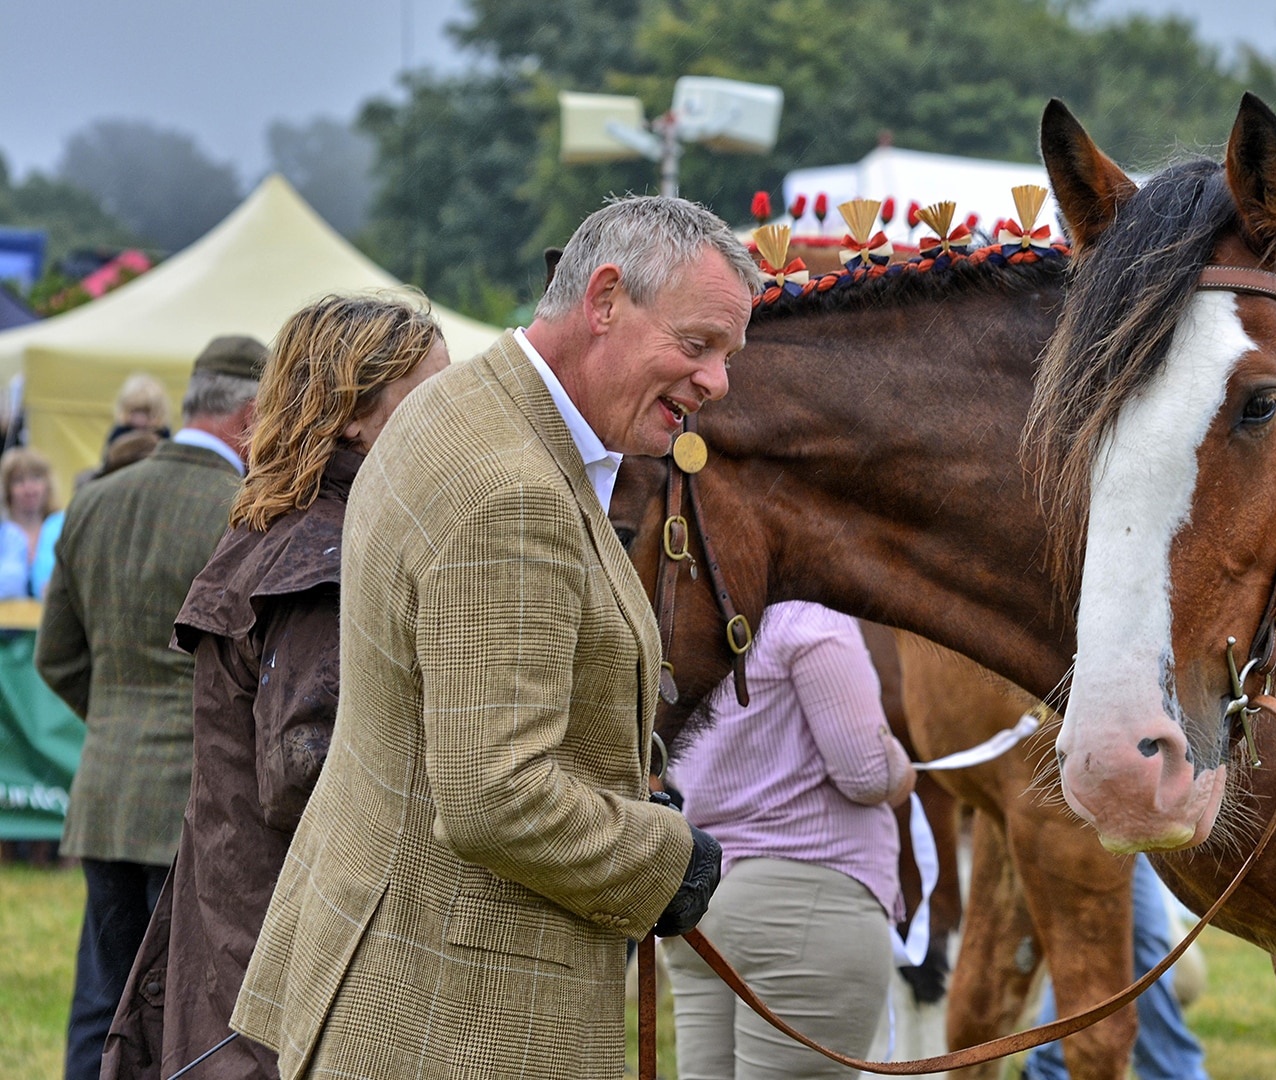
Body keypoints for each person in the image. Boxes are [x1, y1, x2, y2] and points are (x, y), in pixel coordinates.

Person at [233, 196, 756, 1080]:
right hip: (452, 1017)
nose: (717, 382)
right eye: (698, 345)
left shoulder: (459, 405)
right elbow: (497, 796)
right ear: (603, 300)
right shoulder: (510, 489)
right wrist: (664, 859)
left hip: (400, 980)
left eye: (728, 356)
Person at [99, 296, 449, 1080]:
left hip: (244, 946)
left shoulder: (292, 528)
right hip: (282, 971)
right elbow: (310, 777)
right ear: (355, 415)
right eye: (428, 397)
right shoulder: (322, 555)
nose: (447, 419)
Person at [37, 335, 266, 1080]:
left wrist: (114, 723)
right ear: (249, 415)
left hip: (104, 793)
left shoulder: (93, 501)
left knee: (100, 1004)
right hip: (200, 804)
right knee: (193, 1021)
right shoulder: (245, 513)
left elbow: (57, 658)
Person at [662, 601, 917, 1080]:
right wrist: (903, 771)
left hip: (708, 907)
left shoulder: (683, 620)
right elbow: (866, 774)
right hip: (806, 907)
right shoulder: (807, 618)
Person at [1024, 856, 1210, 1080]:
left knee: (1141, 939)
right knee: (1108, 937)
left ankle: (1046, 1069)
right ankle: (1048, 1069)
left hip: (1132, 834)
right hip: (1090, 831)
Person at [0, 447, 59, 598]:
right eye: (19, 481)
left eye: (36, 478)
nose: (29, 488)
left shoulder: (61, 529)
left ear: (47, 485)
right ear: (7, 489)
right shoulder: (3, 533)